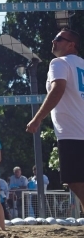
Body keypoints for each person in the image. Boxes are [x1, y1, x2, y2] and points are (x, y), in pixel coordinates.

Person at [27, 28, 84, 209]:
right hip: (77, 130)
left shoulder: (59, 62)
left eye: (58, 38)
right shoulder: (81, 64)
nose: (54, 41)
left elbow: (58, 88)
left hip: (72, 133)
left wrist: (37, 118)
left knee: (75, 182)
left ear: (71, 45)